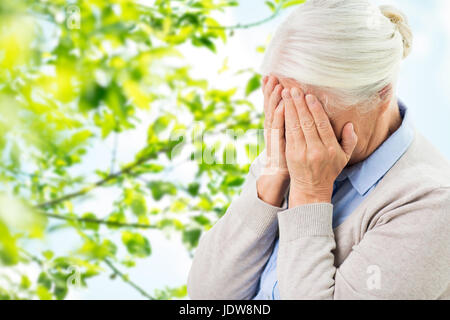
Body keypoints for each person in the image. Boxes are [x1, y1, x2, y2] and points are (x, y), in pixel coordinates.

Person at [187, 0, 450, 299]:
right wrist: (271, 179)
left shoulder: (434, 204)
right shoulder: (286, 152)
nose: (297, 135)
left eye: (316, 119)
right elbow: (206, 296)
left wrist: (310, 193)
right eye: (284, 107)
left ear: (381, 94)